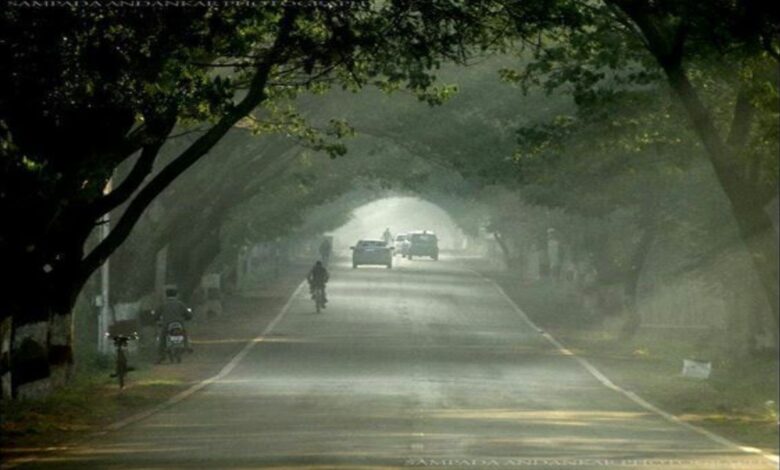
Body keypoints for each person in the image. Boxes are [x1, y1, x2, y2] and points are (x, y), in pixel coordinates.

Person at [155, 286, 193, 363]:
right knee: (185, 334)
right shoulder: (180, 304)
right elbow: (188, 315)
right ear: (176, 295)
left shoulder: (163, 304)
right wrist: (187, 318)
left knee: (162, 339)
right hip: (179, 324)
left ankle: (161, 356)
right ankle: (188, 346)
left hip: (167, 325)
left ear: (166, 295)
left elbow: (156, 315)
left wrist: (157, 319)